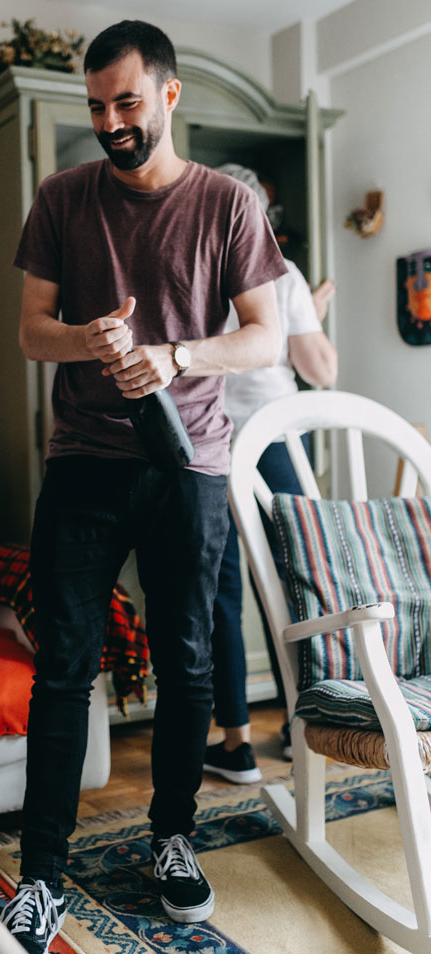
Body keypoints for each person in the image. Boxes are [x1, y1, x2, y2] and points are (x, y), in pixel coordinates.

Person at [0, 19, 287, 953]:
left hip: (189, 463)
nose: (110, 121)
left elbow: (266, 337)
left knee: (190, 661)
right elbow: (31, 330)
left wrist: (170, 355)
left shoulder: (226, 207)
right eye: (96, 107)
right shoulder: (60, 196)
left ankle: (172, 837)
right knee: (62, 670)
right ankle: (41, 875)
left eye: (126, 102)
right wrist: (93, 338)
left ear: (168, 95)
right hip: (82, 461)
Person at [205, 248, 337, 784]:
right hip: (276, 438)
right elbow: (321, 370)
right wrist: (309, 315)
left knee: (221, 588)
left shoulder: (197, 261)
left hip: (210, 437)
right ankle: (297, 725)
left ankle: (236, 742)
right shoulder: (281, 271)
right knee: (291, 586)